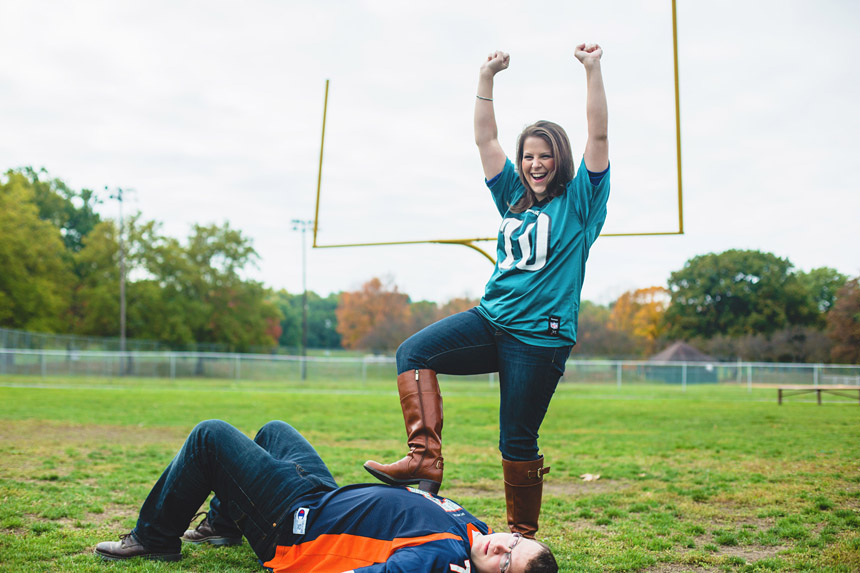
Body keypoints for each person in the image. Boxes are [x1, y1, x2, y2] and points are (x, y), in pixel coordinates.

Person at [364, 44, 609, 540]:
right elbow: (484, 138)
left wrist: (592, 69)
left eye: (545, 156)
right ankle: (424, 462)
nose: (536, 163)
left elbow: (599, 133)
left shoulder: (581, 201)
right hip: (491, 319)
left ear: (560, 159)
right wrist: (486, 77)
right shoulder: (511, 196)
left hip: (538, 337)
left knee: (516, 438)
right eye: (529, 156)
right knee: (414, 351)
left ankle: (521, 536)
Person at [94, 419, 558, 573]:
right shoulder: (475, 529)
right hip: (322, 495)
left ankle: (155, 537)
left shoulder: (441, 558)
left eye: (504, 563)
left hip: (294, 527)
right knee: (275, 431)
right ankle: (224, 525)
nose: (501, 546)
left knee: (209, 438)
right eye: (514, 542)